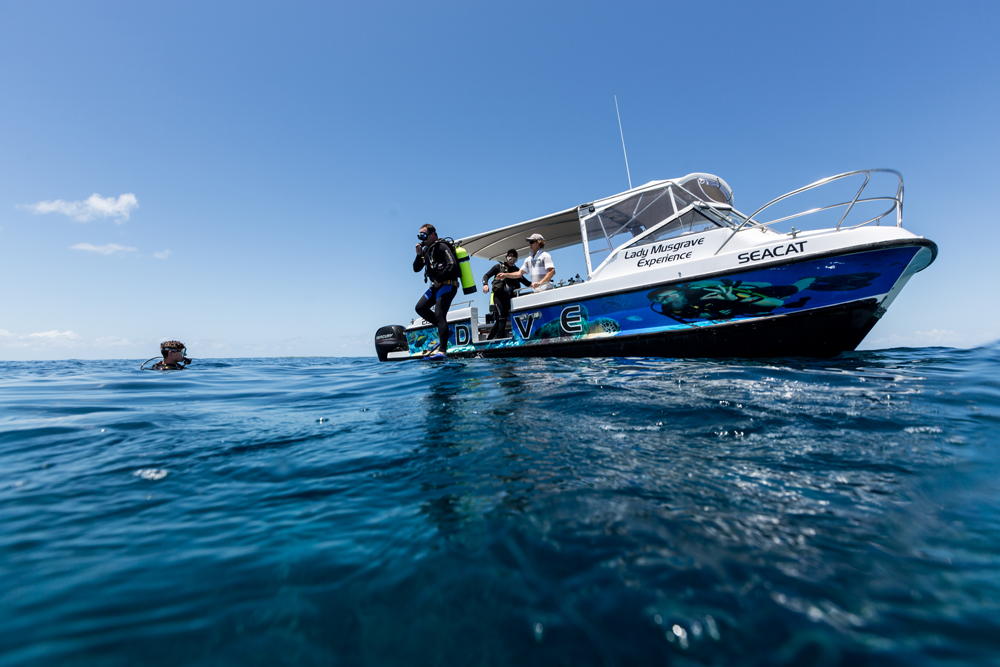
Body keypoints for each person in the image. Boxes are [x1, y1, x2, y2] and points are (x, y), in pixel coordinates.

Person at [413, 224, 460, 360]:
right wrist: (418, 255)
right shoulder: (427, 251)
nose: (422, 238)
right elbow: (416, 268)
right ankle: (446, 330)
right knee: (420, 307)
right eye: (419, 236)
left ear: (433, 234)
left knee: (440, 314)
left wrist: (439, 279)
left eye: (424, 235)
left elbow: (452, 264)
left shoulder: (441, 246)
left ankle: (442, 351)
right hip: (436, 286)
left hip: (447, 284)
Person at [481, 248, 530, 340]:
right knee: (502, 317)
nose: (512, 261)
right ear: (506, 258)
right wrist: (485, 285)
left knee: (501, 320)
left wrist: (536, 284)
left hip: (510, 298)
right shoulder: (498, 267)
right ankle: (501, 340)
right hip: (499, 297)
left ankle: (489, 339)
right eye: (510, 259)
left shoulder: (516, 270)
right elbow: (486, 275)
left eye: (514, 260)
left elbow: (526, 282)